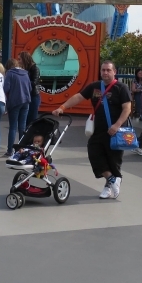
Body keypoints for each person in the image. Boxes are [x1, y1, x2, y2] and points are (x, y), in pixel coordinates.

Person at [55, 60, 132, 199]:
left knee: (113, 160)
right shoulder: (95, 87)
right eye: (103, 70)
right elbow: (79, 97)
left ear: (114, 72)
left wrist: (117, 125)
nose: (105, 73)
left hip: (116, 131)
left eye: (108, 70)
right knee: (94, 153)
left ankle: (108, 186)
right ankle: (113, 179)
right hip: (98, 129)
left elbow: (127, 108)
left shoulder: (121, 88)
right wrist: (62, 107)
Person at [3, 57, 32, 158]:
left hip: (14, 102)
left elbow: (6, 88)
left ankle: (10, 150)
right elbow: (30, 87)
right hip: (26, 101)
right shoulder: (26, 73)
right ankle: (22, 149)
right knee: (22, 127)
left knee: (12, 127)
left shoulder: (10, 73)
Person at [20, 51, 42, 123]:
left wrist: (23, 83)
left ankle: (31, 133)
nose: (19, 61)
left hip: (33, 95)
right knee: (26, 118)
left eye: (20, 59)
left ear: (25, 59)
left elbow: (34, 82)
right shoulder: (26, 69)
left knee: (32, 118)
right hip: (27, 95)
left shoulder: (35, 69)